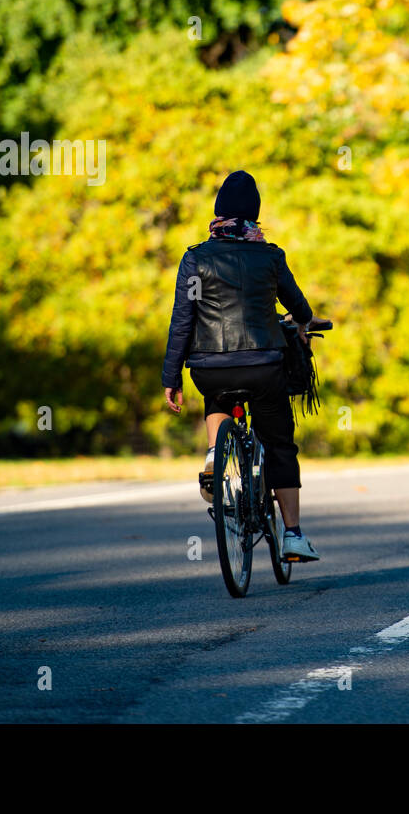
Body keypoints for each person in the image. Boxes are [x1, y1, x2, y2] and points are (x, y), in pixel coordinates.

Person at [160, 170, 323, 561]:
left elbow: (182, 321)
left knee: (216, 396)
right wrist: (300, 322)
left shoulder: (194, 259)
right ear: (255, 214)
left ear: (218, 213)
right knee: (280, 443)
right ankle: (294, 535)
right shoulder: (269, 256)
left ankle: (217, 456)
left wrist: (171, 376)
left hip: (209, 367)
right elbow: (300, 309)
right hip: (264, 365)